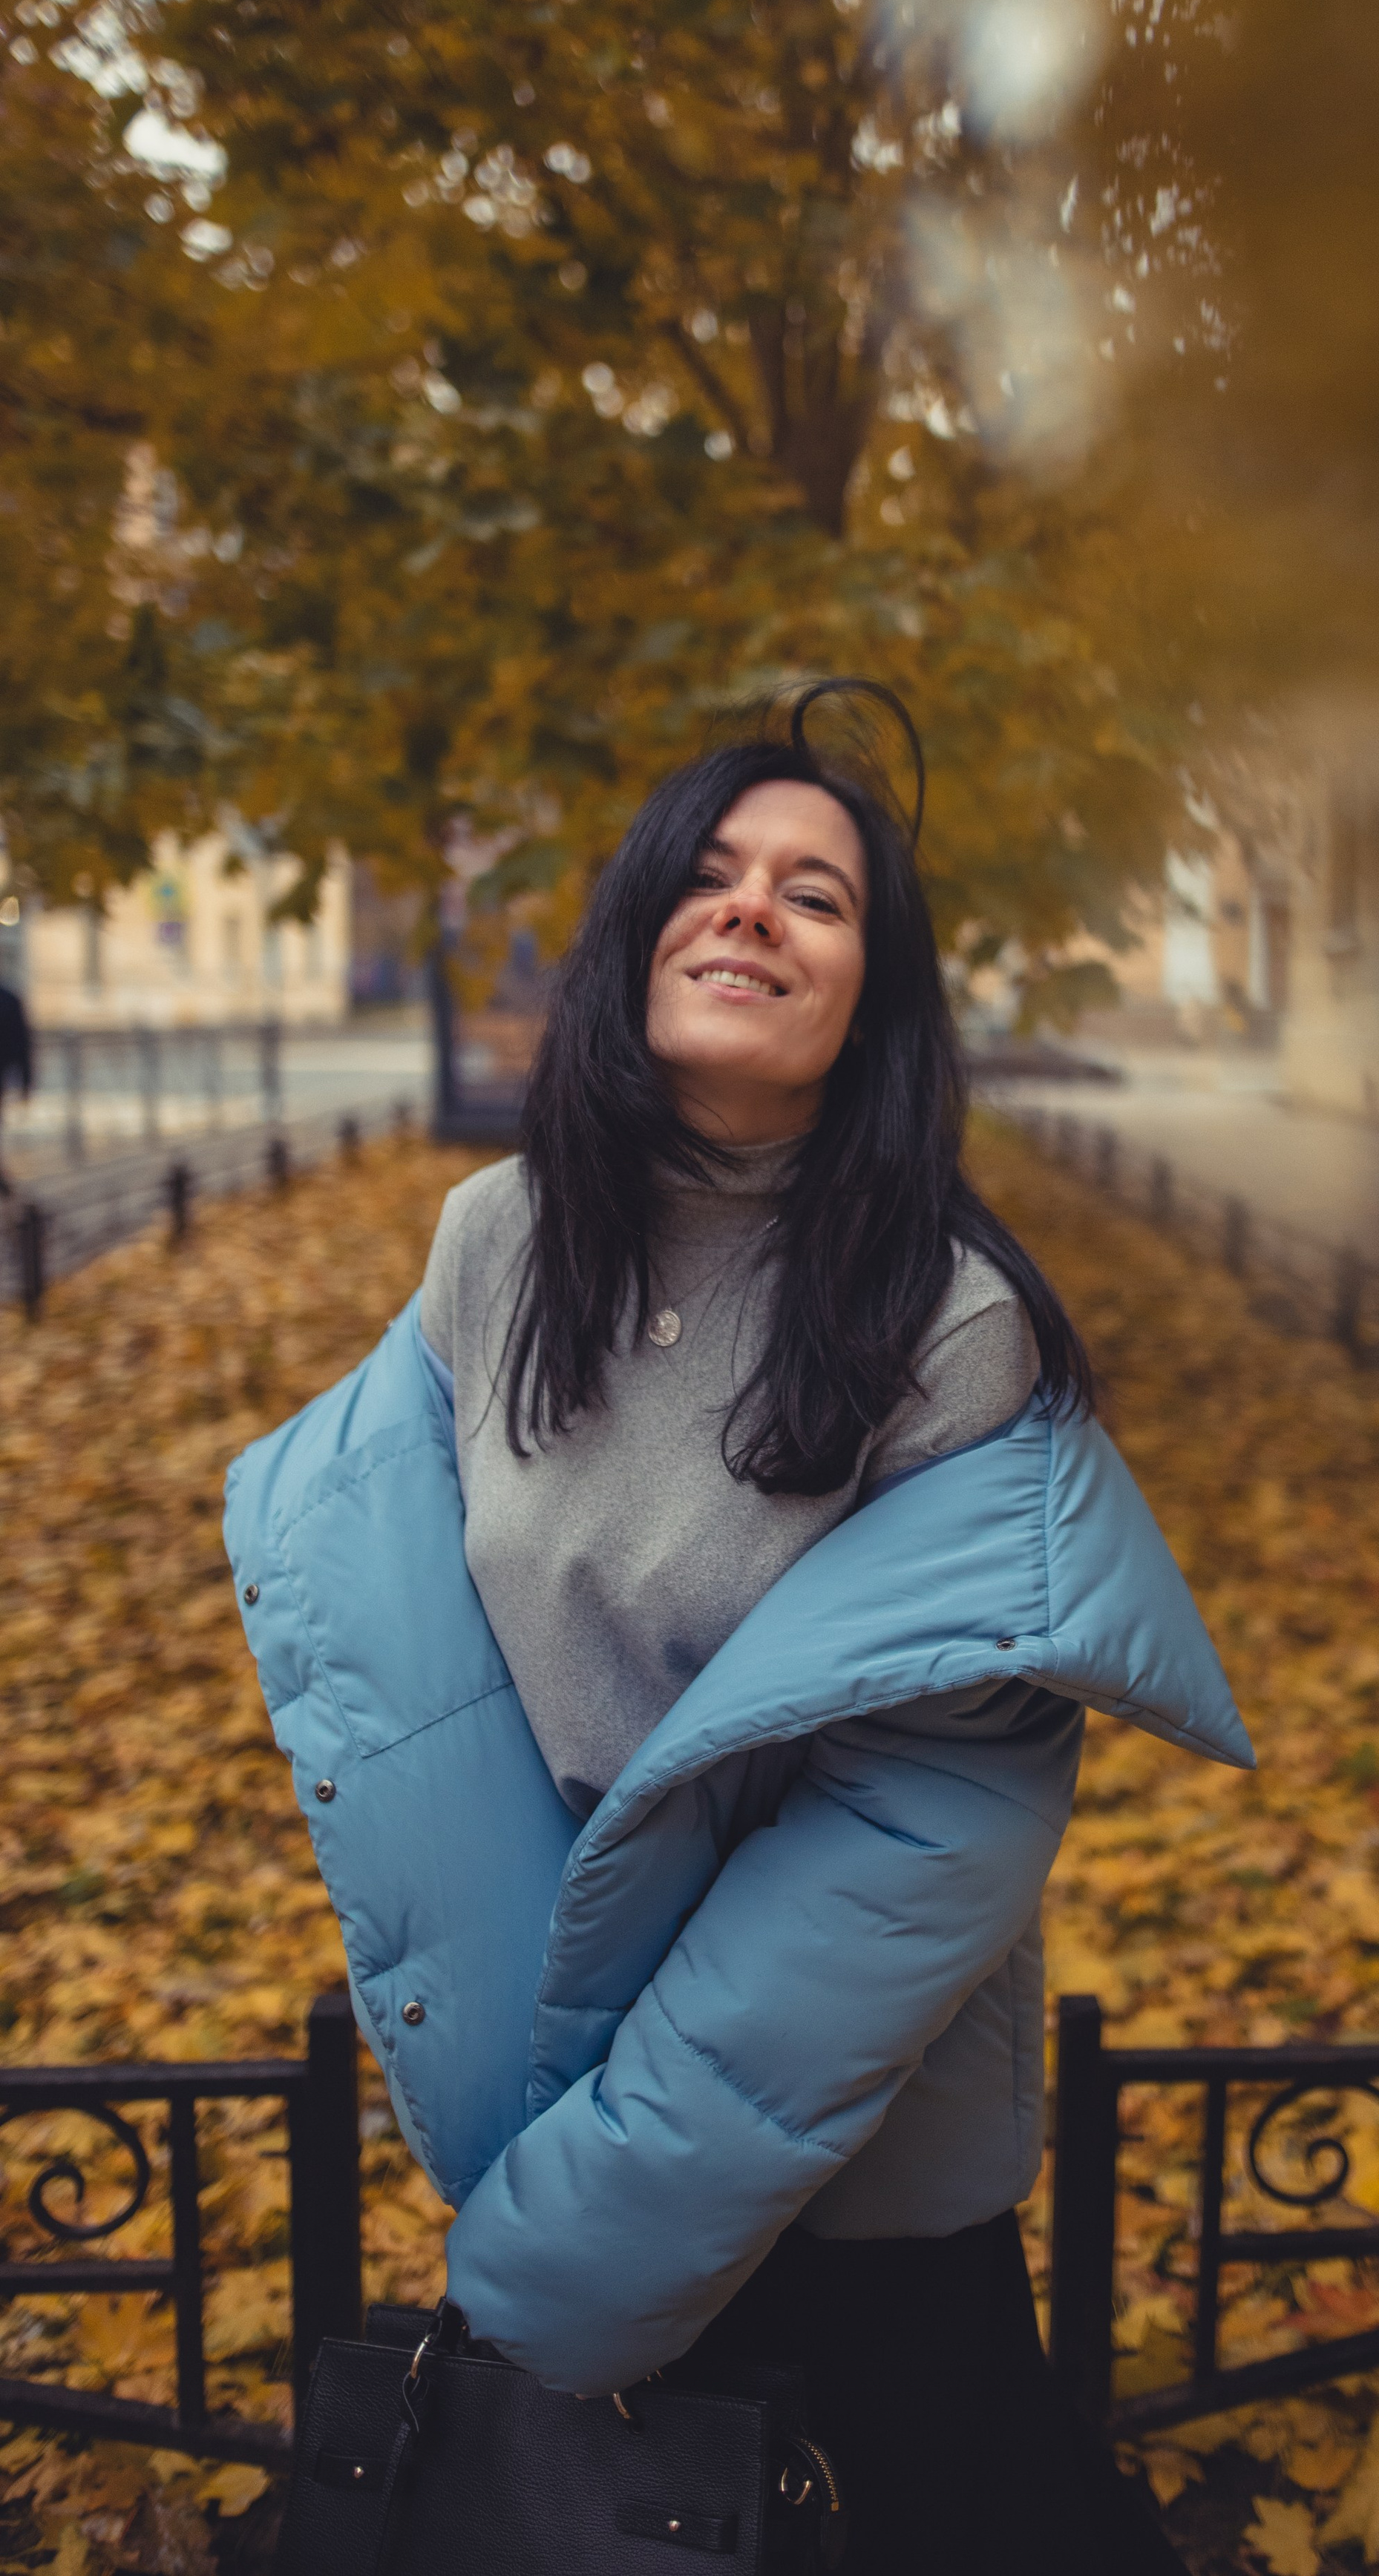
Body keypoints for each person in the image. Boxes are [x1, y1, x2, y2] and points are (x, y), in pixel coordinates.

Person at [226, 686, 1253, 2575]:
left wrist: (594, 2222)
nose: (750, 911)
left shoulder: (941, 1321)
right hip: (562, 2091)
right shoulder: (491, 1246)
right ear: (631, 935)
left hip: (852, 2153)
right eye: (706, 874)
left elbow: (911, 1827)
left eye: (815, 893)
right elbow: (411, 1649)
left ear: (872, 992)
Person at [0, 977, 31, 1198]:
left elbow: (22, 1044)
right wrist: (27, 1083)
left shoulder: (9, 999)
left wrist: (27, 1082)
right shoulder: (9, 999)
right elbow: (24, 1045)